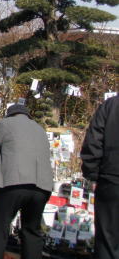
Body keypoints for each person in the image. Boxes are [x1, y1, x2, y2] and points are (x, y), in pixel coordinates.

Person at [0, 104, 53, 259]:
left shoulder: (5, 124)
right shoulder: (40, 129)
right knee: (32, 231)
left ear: (10, 114)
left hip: (13, 183)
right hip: (41, 187)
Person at [81, 95, 119, 259]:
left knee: (107, 240)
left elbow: (93, 143)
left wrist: (93, 173)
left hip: (111, 179)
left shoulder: (110, 105)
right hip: (110, 176)